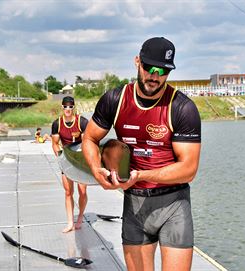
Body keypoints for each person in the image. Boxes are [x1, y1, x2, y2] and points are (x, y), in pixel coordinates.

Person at [82, 37, 201, 271]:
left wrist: (142, 174)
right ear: (137, 61)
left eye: (163, 71)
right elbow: (89, 138)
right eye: (149, 68)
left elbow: (189, 170)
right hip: (135, 205)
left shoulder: (182, 108)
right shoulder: (114, 100)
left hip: (174, 205)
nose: (155, 76)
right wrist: (97, 171)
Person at [51, 96, 89, 233]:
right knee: (68, 192)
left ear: (74, 107)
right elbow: (55, 144)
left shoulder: (82, 122)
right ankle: (69, 223)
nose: (68, 109)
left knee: (82, 191)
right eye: (65, 107)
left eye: (70, 107)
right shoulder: (57, 124)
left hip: (80, 159)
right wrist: (60, 158)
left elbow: (88, 142)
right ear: (62, 107)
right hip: (66, 159)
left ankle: (80, 217)